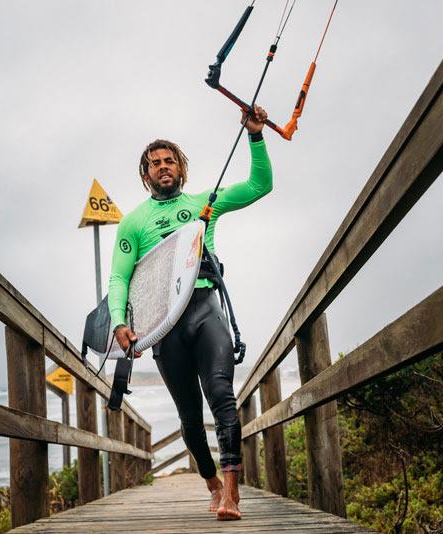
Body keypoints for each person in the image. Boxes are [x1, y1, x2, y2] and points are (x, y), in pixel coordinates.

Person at [108, 106, 272, 520]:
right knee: (189, 416)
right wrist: (120, 323)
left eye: (170, 161)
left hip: (204, 308)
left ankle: (232, 495)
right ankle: (212, 483)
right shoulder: (134, 223)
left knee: (222, 394)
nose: (163, 167)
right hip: (165, 325)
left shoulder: (205, 204)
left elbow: (259, 185)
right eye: (155, 164)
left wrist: (255, 135)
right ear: (145, 175)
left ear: (182, 168)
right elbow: (119, 280)